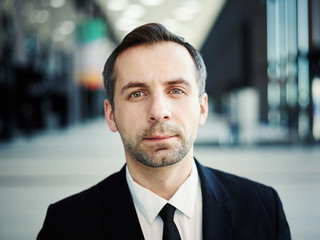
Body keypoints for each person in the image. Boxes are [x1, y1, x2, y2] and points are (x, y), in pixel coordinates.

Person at [37, 23, 291, 240]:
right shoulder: (65, 226)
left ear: (202, 109)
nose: (158, 111)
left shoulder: (263, 209)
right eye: (137, 93)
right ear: (111, 114)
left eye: (176, 90)